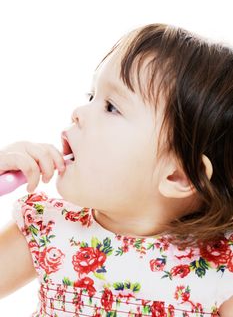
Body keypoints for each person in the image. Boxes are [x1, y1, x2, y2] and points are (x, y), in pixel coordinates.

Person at [0, 23, 232, 317]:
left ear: (178, 176)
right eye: (91, 96)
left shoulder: (221, 268)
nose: (79, 112)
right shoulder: (48, 230)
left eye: (111, 106)